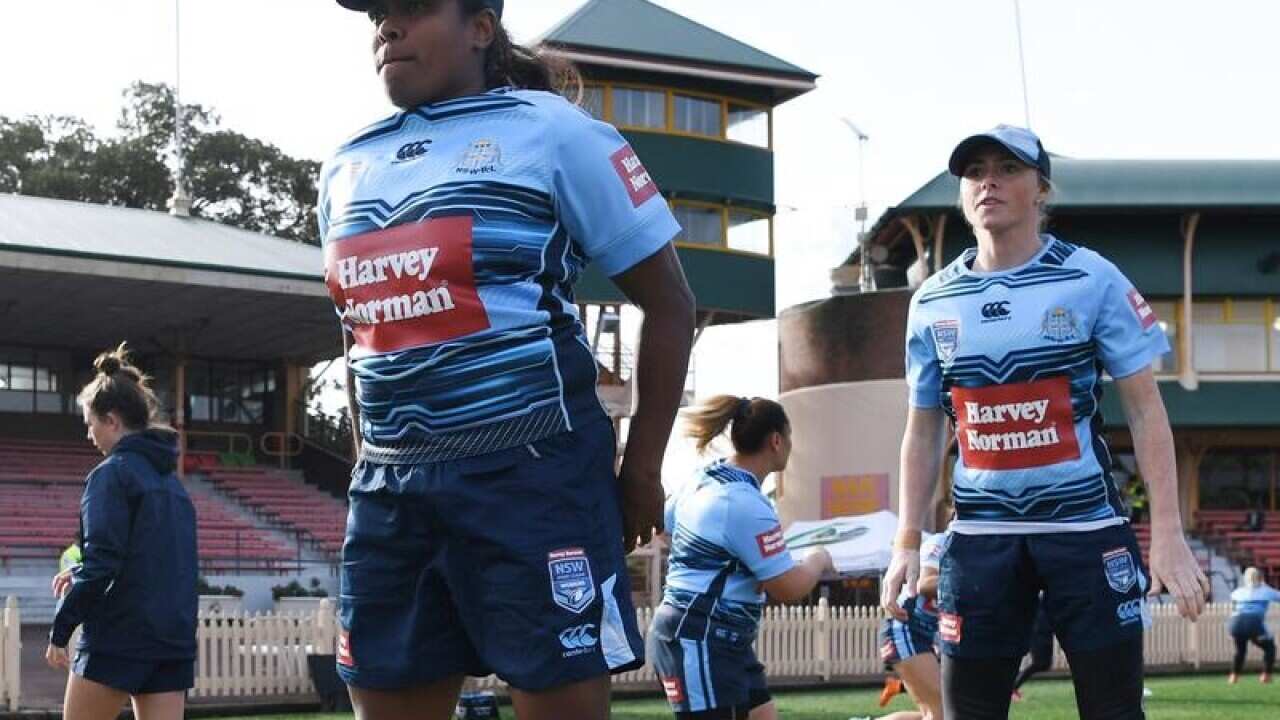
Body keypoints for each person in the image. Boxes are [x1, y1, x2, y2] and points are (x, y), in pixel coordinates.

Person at [322, 2, 695, 719]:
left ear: (480, 29)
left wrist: (643, 469)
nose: (386, 28)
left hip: (533, 478)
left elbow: (673, 303)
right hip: (391, 491)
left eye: (412, 9)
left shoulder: (554, 132)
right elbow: (358, 331)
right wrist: (369, 461)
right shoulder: (347, 163)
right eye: (378, 14)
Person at [881, 125, 1209, 720]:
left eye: (1007, 170)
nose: (988, 183)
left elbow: (1145, 409)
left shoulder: (1092, 278)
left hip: (1085, 533)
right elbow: (924, 427)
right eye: (975, 171)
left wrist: (1167, 534)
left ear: (1041, 190)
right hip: (980, 540)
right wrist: (907, 540)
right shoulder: (932, 299)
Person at [648, 396, 832, 719]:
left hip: (716, 638)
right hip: (701, 639)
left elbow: (662, 528)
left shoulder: (702, 479)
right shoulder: (747, 504)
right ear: (777, 440)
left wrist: (733, 567)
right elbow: (788, 588)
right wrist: (819, 558)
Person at [46, 344, 198, 720]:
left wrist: (60, 629)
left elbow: (102, 565)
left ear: (112, 420)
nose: (89, 435)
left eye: (90, 423)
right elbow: (153, 561)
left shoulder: (110, 474)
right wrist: (81, 571)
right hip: (171, 642)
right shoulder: (174, 483)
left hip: (118, 639)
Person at [875, 528, 950, 720]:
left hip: (921, 633)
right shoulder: (942, 541)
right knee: (940, 712)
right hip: (905, 628)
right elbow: (925, 583)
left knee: (941, 712)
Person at [1227, 567, 1280, 684]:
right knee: (1270, 647)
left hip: (1235, 623)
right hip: (1253, 622)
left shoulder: (1237, 592)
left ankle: (1234, 677)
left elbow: (1234, 607)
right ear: (1260, 577)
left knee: (1240, 651)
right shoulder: (1265, 591)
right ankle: (1266, 675)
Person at [1009, 596, 1054, 701]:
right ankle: (1012, 688)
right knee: (1040, 663)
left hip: (1043, 631)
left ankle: (1012, 687)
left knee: (1044, 664)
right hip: (1038, 631)